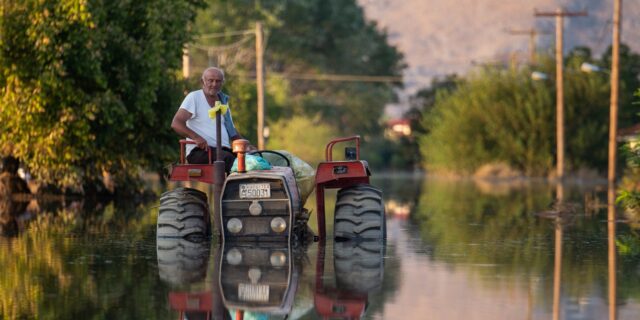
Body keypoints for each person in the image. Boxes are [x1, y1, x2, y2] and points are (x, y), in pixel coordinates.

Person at [171, 67, 251, 172]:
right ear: (202, 81)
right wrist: (196, 137)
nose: (214, 84)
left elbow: (232, 131)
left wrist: (248, 147)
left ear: (222, 83)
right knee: (231, 160)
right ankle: (235, 187)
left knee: (251, 160)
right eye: (210, 80)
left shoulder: (223, 101)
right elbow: (176, 123)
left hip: (222, 152)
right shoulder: (194, 97)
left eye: (218, 81)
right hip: (201, 152)